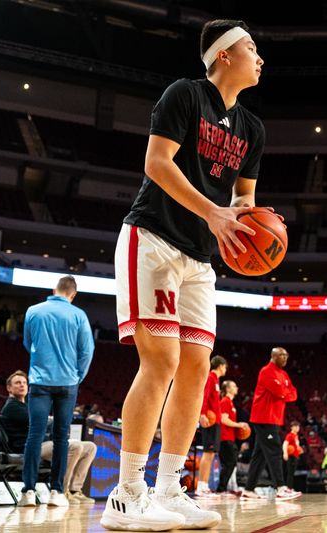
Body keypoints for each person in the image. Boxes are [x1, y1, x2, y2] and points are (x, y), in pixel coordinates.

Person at [102, 18, 267, 532]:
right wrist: (212, 213)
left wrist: (243, 223)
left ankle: (171, 488)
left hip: (200, 259)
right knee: (161, 361)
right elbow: (157, 163)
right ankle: (127, 493)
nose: (259, 57)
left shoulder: (252, 129)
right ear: (223, 55)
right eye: (251, 47)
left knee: (196, 369)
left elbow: (243, 199)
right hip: (152, 239)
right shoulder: (185, 95)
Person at [20, 276, 94, 508]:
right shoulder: (78, 315)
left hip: (40, 381)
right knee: (62, 438)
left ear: (55, 289)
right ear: (73, 294)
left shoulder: (33, 310)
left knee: (34, 435)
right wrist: (77, 376)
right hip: (67, 383)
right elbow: (86, 351)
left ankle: (28, 492)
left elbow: (27, 342)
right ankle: (56, 492)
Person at [0, 370, 97, 505]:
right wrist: (52, 421)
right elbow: (42, 424)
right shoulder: (11, 407)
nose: (22, 385)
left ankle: (75, 490)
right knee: (75, 446)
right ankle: (62, 490)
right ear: (9, 388)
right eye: (17, 383)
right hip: (27, 448)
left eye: (24, 383)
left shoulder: (27, 405)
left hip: (44, 444)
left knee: (90, 447)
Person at [242, 347, 301, 502]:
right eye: (282, 355)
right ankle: (281, 488)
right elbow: (280, 392)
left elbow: (293, 393)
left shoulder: (284, 374)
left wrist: (286, 392)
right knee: (275, 449)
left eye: (286, 355)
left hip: (274, 418)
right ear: (273, 356)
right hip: (264, 418)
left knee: (260, 455)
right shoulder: (266, 371)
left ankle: (248, 490)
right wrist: (285, 392)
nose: (285, 358)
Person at [196, 355, 228, 498]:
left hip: (216, 422)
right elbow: (203, 395)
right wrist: (202, 413)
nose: (225, 369)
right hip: (209, 420)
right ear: (220, 366)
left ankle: (205, 486)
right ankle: (201, 487)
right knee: (207, 453)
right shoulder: (210, 377)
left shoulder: (216, 380)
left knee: (211, 454)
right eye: (225, 366)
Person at [216, 380, 249, 495]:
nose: (237, 388)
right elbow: (224, 419)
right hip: (225, 437)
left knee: (230, 464)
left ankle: (226, 488)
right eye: (234, 386)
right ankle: (221, 489)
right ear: (228, 389)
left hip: (229, 437)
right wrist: (239, 425)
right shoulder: (225, 401)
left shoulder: (230, 402)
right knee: (229, 463)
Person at [283, 421, 303, 489]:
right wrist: (285, 453)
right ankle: (289, 488)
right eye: (296, 426)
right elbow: (285, 444)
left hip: (295, 456)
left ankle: (290, 488)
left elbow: (296, 446)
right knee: (290, 473)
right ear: (292, 427)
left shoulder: (296, 436)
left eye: (298, 426)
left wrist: (299, 449)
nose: (298, 428)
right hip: (291, 456)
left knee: (292, 473)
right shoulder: (289, 435)